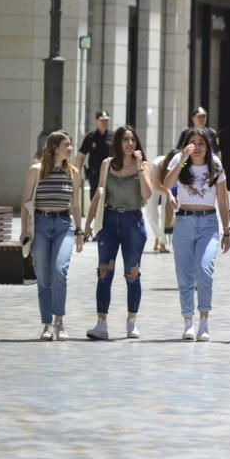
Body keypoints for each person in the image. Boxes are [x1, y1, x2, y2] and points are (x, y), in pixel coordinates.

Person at [83, 126, 154, 340]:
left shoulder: (143, 166)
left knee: (132, 273)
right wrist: (87, 225)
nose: (129, 144)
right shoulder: (107, 164)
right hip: (109, 223)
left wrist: (140, 168)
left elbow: (148, 195)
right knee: (104, 272)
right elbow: (99, 193)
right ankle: (101, 324)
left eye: (133, 140)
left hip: (133, 222)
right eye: (125, 140)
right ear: (118, 143)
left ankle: (131, 321)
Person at [163, 128, 230, 341]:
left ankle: (204, 320)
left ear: (208, 145)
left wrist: (227, 231)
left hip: (208, 223)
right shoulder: (179, 160)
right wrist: (183, 158)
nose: (197, 147)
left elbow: (223, 200)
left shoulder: (215, 164)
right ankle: (187, 322)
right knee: (184, 274)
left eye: (201, 142)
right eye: (193, 142)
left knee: (204, 269)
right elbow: (166, 184)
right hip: (183, 221)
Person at [20, 131, 85, 340]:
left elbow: (75, 204)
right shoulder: (36, 171)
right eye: (67, 145)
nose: (71, 149)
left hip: (63, 225)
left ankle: (60, 323)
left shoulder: (73, 173)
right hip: (40, 225)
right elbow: (25, 203)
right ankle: (47, 324)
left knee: (60, 270)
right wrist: (23, 231)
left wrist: (79, 231)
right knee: (43, 277)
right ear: (55, 147)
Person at [146, 148, 179, 253]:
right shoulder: (157, 164)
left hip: (167, 186)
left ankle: (163, 243)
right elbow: (156, 186)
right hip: (153, 186)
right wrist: (169, 193)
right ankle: (158, 236)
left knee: (167, 215)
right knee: (151, 213)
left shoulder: (181, 163)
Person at [76, 110, 113, 200]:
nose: (104, 122)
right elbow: (81, 156)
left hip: (110, 174)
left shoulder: (113, 136)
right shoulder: (90, 137)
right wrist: (77, 174)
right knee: (94, 199)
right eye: (102, 120)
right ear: (97, 121)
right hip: (94, 174)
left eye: (106, 120)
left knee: (109, 199)